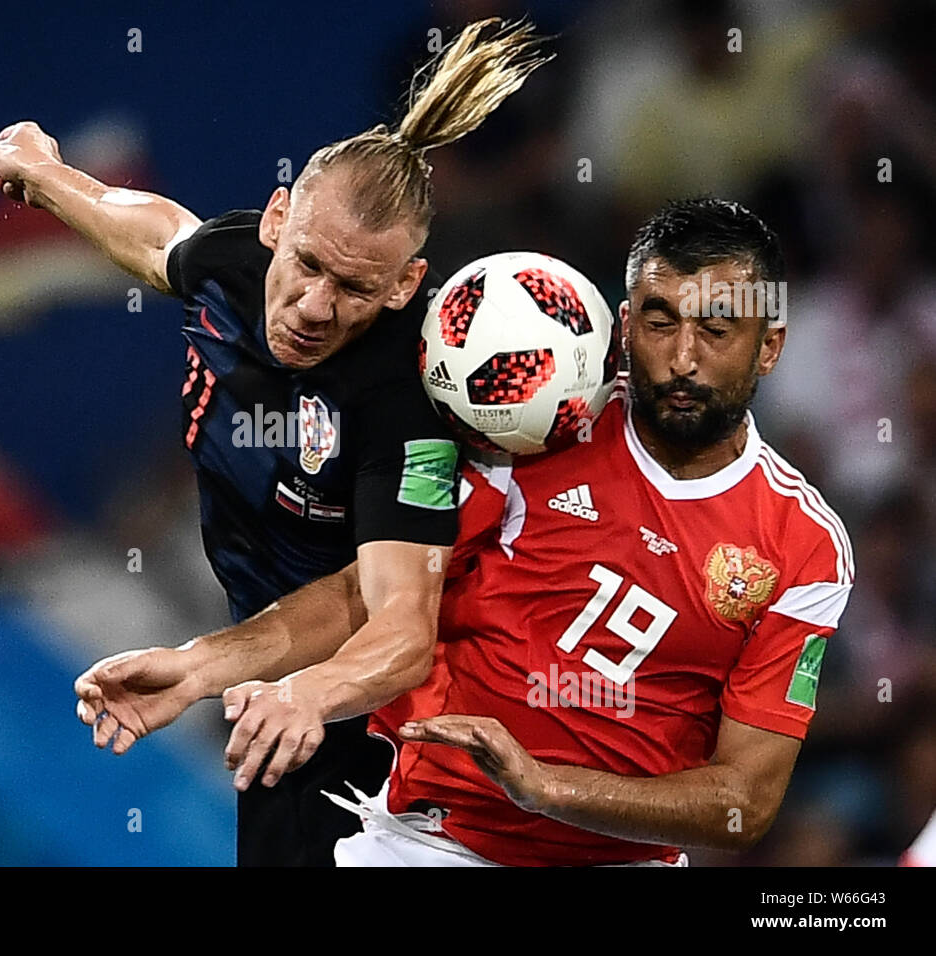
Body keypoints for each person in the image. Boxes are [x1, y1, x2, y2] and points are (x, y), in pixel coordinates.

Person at [76, 198, 854, 866]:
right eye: (660, 322)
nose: (682, 358)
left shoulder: (803, 548)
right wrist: (195, 667)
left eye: (716, 331)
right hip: (432, 841)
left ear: (770, 347)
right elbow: (366, 593)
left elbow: (742, 802)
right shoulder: (527, 431)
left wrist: (541, 786)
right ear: (621, 327)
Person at [0, 20, 552, 866]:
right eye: (308, 265)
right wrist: (44, 171)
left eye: (355, 288)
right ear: (277, 221)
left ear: (405, 286)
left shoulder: (405, 401)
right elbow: (151, 232)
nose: (317, 306)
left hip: (376, 718)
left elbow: (398, 625)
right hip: (267, 681)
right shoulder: (240, 263)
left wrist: (290, 692)